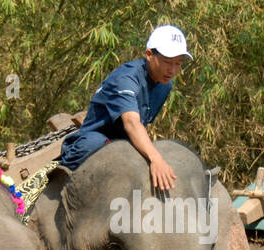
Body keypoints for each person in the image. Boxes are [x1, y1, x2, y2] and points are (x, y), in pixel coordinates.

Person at [58, 25, 191, 190]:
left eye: (178, 64)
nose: (172, 70)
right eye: (167, 62)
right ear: (149, 55)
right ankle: (55, 187)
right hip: (95, 142)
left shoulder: (164, 86)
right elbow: (132, 123)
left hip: (125, 144)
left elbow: (142, 125)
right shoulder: (126, 78)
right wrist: (156, 159)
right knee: (95, 145)